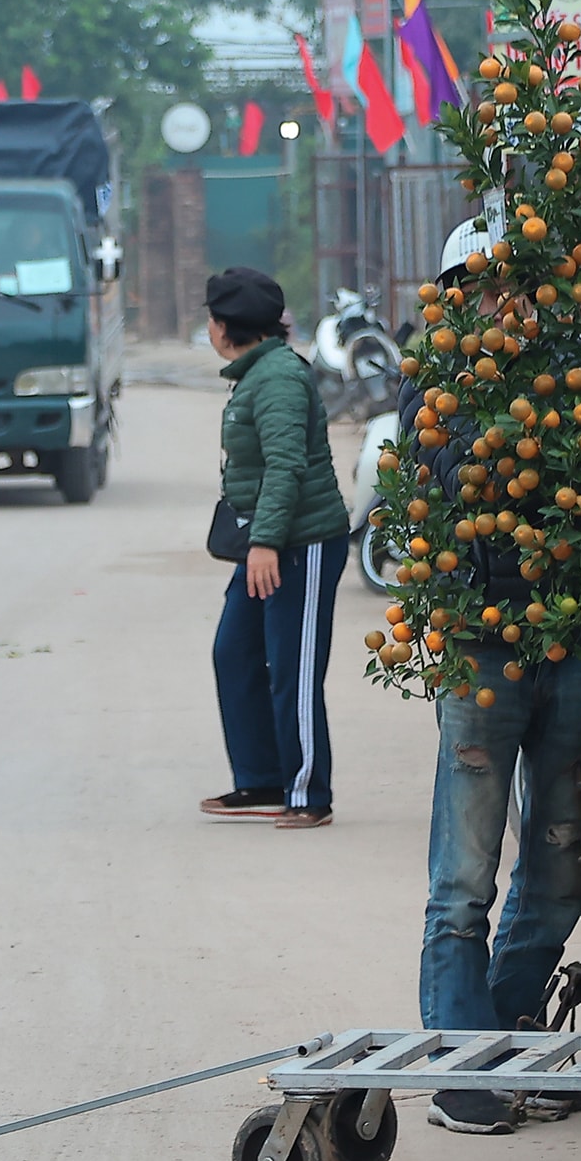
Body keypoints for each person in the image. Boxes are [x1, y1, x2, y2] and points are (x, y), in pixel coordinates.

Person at [408, 221, 581, 1136]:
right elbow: (448, 470)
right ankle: (460, 1064)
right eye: (481, 286)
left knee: (562, 858)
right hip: (483, 650)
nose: (502, 302)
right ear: (455, 294)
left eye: (517, 284)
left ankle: (511, 1034)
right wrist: (518, 420)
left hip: (573, 637)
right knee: (465, 875)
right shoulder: (436, 380)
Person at [198, 268, 349, 829]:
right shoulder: (257, 374)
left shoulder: (280, 378)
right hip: (267, 542)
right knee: (233, 652)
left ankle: (309, 792)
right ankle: (261, 779)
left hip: (301, 544)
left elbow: (287, 465)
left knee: (294, 669)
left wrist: (265, 542)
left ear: (224, 326)